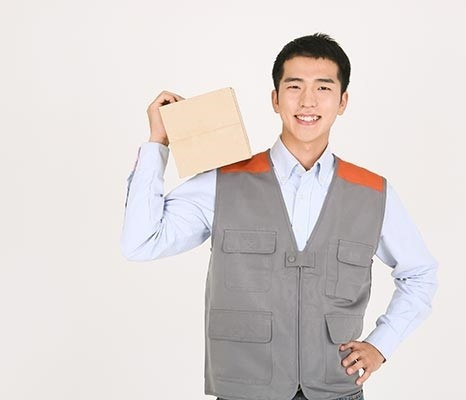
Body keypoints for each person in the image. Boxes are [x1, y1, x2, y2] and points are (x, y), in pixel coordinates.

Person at [121, 33, 439, 400]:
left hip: (335, 391)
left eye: (323, 87)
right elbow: (140, 242)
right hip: (243, 391)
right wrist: (157, 144)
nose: (307, 101)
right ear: (275, 99)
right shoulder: (224, 181)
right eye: (294, 86)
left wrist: (381, 345)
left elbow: (420, 274)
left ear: (342, 101)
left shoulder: (372, 192)